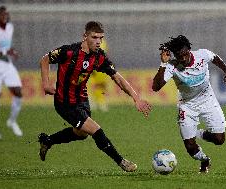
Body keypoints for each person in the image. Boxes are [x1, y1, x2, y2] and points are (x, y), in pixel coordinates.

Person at [38, 21, 151, 172]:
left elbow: (117, 77)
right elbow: (45, 59)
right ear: (85, 36)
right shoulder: (69, 52)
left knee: (82, 133)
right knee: (95, 130)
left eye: (101, 38)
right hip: (65, 102)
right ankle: (122, 162)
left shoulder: (99, 57)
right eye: (94, 37)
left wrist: (136, 98)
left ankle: (48, 140)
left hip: (82, 100)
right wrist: (46, 84)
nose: (98, 42)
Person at [152, 35, 226, 173]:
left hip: (208, 100)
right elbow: (156, 87)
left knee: (219, 139)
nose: (182, 58)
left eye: (184, 54)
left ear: (189, 50)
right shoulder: (172, 66)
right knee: (190, 147)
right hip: (187, 106)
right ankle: (204, 160)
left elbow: (215, 58)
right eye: (178, 55)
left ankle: (199, 133)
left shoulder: (202, 55)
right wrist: (163, 64)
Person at [0, 6, 23, 139]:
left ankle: (12, 121)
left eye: (6, 15)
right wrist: (7, 52)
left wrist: (12, 51)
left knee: (18, 92)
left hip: (7, 64)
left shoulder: (10, 27)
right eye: (2, 15)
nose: (4, 17)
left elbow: (6, 47)